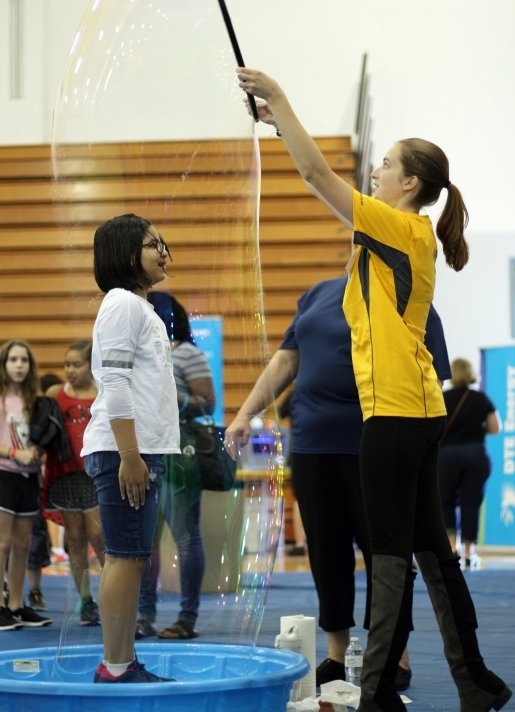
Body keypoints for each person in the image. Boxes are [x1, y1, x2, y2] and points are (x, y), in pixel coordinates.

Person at [234, 68, 511, 711]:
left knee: (388, 558)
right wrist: (281, 127)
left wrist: (281, 98)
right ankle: (476, 682)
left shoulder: (402, 228)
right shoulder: (392, 238)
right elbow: (318, 179)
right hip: (412, 412)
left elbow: (315, 177)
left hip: (393, 415)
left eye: (384, 165)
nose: (375, 173)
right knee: (430, 553)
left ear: (410, 183)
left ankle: (379, 690)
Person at [225, 276, 450, 693]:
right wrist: (244, 414)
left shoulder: (408, 293)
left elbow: (432, 377)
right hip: (313, 444)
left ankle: (393, 655)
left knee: (386, 555)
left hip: (377, 443)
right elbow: (286, 361)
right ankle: (336, 652)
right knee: (326, 551)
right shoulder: (315, 294)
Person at [81, 213, 180, 683]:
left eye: (163, 243)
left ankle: (121, 661)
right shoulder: (121, 302)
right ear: (125, 253)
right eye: (152, 244)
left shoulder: (142, 308)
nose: (163, 252)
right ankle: (117, 666)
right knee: (125, 555)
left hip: (138, 449)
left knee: (132, 555)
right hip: (126, 449)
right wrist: (129, 455)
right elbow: (116, 382)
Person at [136, 291, 215, 640]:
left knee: (186, 538)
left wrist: (173, 394)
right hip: (144, 452)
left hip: (180, 456)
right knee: (144, 540)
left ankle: (187, 618)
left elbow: (206, 403)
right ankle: (143, 616)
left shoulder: (187, 353)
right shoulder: (140, 354)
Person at [44, 339, 106, 625]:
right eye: (67, 364)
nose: (70, 370)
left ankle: (112, 594)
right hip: (67, 476)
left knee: (100, 536)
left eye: (76, 364)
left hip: (94, 474)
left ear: (91, 365)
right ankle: (85, 601)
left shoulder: (101, 392)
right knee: (76, 540)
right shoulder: (56, 394)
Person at [0, 339, 52, 630]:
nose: (19, 365)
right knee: (2, 544)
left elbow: (40, 436)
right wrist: (13, 453)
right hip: (4, 474)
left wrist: (38, 452)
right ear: (4, 364)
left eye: (24, 360)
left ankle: (17, 605)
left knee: (22, 545)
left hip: (29, 477)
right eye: (13, 360)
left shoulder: (35, 401)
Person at [438, 358, 501, 569]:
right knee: (470, 503)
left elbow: (433, 429)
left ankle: (451, 550)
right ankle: (469, 553)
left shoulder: (441, 398)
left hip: (445, 456)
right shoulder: (481, 399)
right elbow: (495, 428)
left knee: (445, 501)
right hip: (475, 454)